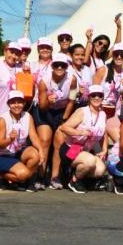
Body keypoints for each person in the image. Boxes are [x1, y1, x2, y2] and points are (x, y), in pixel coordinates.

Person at [58, 84, 109, 193]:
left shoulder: (103, 114)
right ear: (89, 97)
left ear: (102, 97)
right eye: (93, 95)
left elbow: (104, 133)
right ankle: (74, 181)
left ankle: (79, 177)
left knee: (100, 170)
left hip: (84, 151)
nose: (96, 98)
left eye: (99, 95)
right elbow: (64, 128)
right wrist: (81, 132)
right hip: (70, 149)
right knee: (90, 161)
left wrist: (104, 149)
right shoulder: (82, 111)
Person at [0, 90, 44, 191]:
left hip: (17, 152)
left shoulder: (28, 116)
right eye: (13, 102)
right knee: (23, 174)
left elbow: (34, 136)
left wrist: (41, 151)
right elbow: (0, 144)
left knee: (35, 154)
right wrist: (10, 139)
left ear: (24, 103)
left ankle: (23, 181)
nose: (16, 105)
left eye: (19, 102)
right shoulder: (2, 119)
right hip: (1, 155)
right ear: (8, 104)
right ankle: (0, 175)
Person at [38, 53, 78, 189]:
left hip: (62, 112)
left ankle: (55, 177)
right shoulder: (44, 81)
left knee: (59, 141)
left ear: (67, 67)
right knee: (44, 140)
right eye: (56, 65)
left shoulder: (72, 79)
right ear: (52, 66)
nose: (59, 67)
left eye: (63, 65)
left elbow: (72, 100)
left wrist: (64, 119)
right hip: (45, 112)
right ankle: (40, 176)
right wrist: (48, 102)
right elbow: (42, 107)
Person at [93, 42, 123, 142]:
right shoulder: (103, 70)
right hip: (98, 110)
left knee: (120, 140)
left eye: (122, 55)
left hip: (112, 113)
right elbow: (92, 93)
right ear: (112, 55)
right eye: (116, 54)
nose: (119, 57)